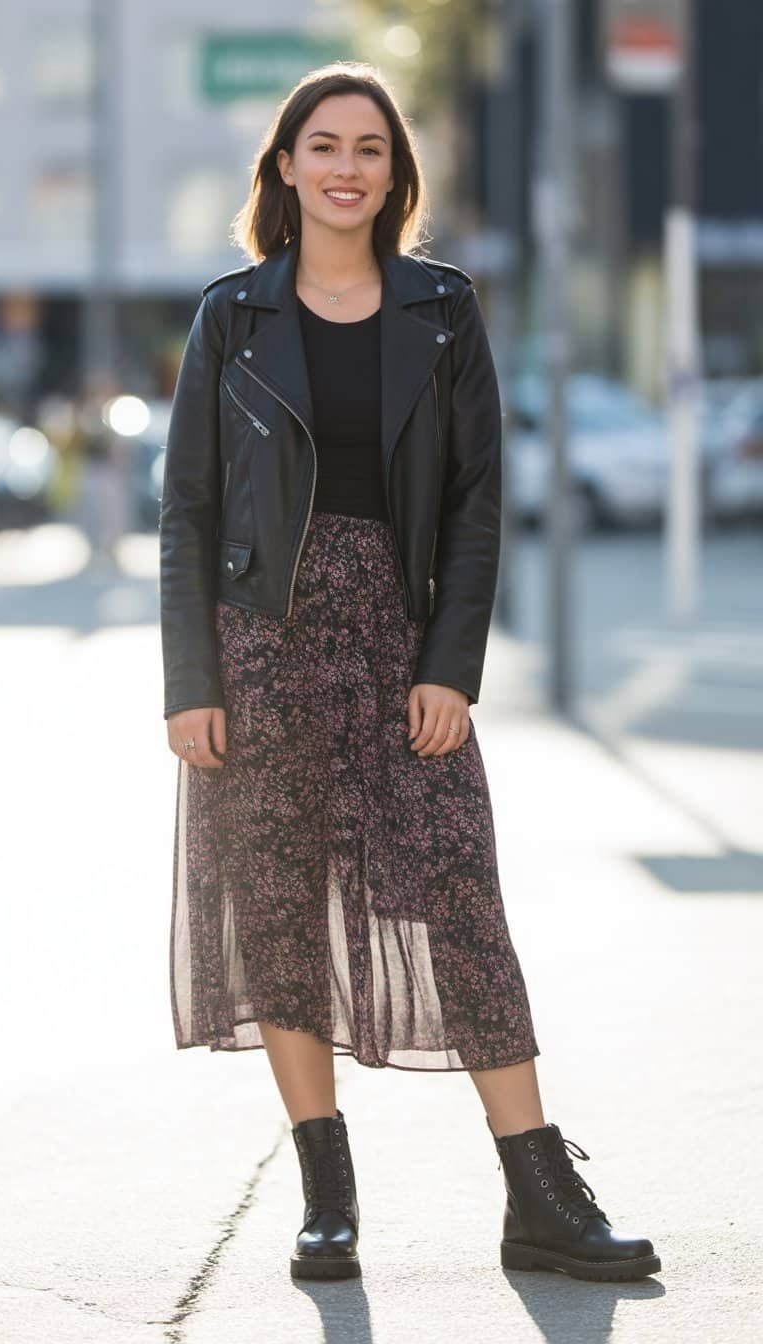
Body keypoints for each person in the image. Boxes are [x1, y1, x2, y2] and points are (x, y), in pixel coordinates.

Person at [158, 62, 660, 1285]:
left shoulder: (444, 310)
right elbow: (187, 510)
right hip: (261, 648)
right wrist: (192, 682)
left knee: (464, 899)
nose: (345, 167)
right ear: (284, 167)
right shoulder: (233, 315)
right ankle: (327, 1195)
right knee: (278, 912)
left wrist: (453, 666)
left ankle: (539, 1193)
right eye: (322, 146)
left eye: (369, 148)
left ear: (396, 173)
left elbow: (478, 506)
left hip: (399, 642)